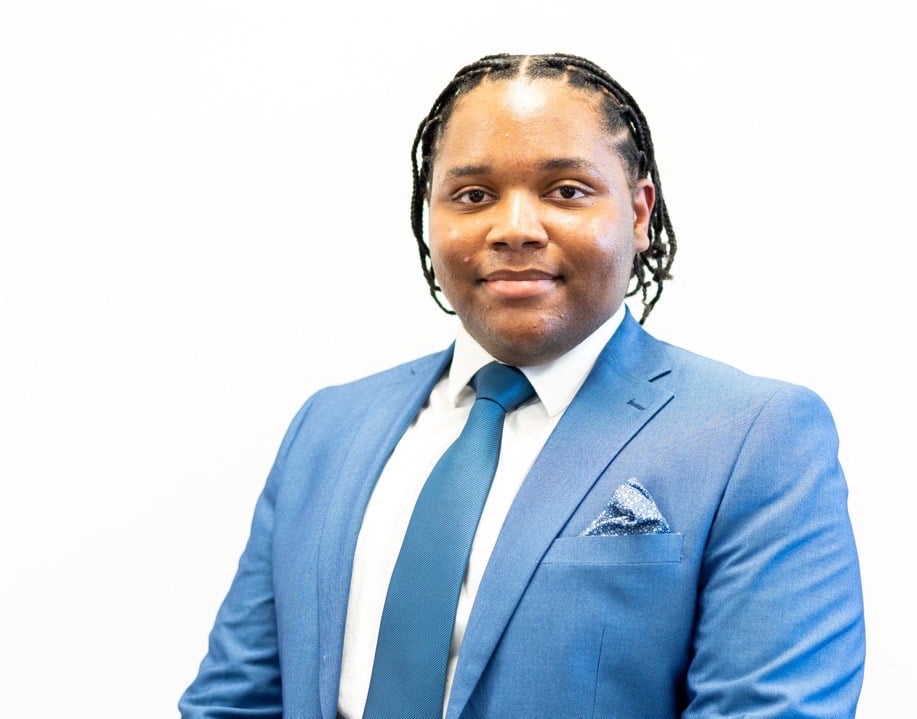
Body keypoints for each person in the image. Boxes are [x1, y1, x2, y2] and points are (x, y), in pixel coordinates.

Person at [180, 53, 865, 718]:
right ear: (430, 214)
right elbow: (233, 700)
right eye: (473, 195)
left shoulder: (754, 436)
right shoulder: (327, 427)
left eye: (566, 190)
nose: (514, 228)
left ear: (637, 212)